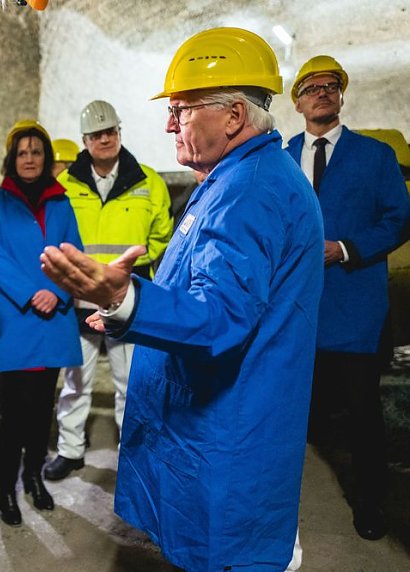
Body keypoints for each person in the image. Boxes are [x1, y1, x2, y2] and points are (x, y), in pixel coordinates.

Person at [40, 27, 324, 570]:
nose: (169, 123)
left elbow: (220, 317)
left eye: (182, 109)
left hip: (229, 436)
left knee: (228, 552)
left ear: (234, 116)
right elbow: (203, 284)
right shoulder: (233, 178)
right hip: (221, 425)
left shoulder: (250, 191)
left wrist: (129, 300)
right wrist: (130, 309)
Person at [286, 55, 410, 541]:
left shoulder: (374, 155)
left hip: (353, 306)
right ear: (297, 101)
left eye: (331, 85)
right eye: (312, 87)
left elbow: (398, 220)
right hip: (294, 308)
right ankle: (280, 497)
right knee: (292, 407)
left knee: (362, 413)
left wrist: (346, 248)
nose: (322, 92)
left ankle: (370, 501)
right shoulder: (281, 154)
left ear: (340, 96)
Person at [44, 100, 173, 482]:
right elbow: (54, 235)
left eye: (110, 132)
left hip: (127, 300)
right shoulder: (64, 187)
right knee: (75, 382)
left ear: (120, 133)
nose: (105, 139)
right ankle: (69, 450)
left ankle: (132, 455)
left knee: (131, 383)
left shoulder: (149, 182)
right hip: (79, 301)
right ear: (84, 140)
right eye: (96, 135)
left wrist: (131, 274)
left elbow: (162, 237)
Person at [0, 119, 83, 526]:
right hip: (14, 319)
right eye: (22, 152)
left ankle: (33, 478)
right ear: (11, 158)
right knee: (12, 415)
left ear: (46, 157)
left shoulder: (62, 202)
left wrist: (56, 292)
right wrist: (30, 292)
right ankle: (5, 488)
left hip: (52, 317)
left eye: (36, 151)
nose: (29, 158)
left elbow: (73, 252)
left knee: (42, 412)